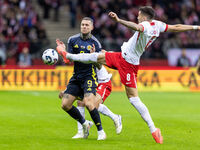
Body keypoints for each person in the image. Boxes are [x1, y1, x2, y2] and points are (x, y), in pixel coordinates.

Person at [56, 6, 200, 144]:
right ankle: (68, 55)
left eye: (138, 15)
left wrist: (119, 21)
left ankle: (153, 129)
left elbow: (136, 27)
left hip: (128, 64)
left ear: (144, 17)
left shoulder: (146, 26)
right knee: (96, 56)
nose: (137, 17)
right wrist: (196, 27)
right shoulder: (158, 24)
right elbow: (176, 27)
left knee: (133, 99)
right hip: (121, 56)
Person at [56, 17, 108, 140]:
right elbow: (68, 61)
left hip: (89, 76)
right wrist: (63, 51)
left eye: (86, 25)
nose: (84, 26)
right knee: (65, 104)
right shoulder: (72, 40)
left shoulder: (96, 43)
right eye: (82, 24)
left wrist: (93, 57)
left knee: (89, 103)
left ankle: (101, 132)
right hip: (76, 77)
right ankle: (85, 123)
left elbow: (99, 65)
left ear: (91, 27)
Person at [59, 65, 122, 139]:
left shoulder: (92, 56)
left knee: (92, 104)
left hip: (102, 82)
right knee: (80, 102)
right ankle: (81, 132)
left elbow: (99, 61)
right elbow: (77, 75)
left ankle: (115, 117)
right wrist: (67, 91)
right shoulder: (79, 58)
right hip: (88, 82)